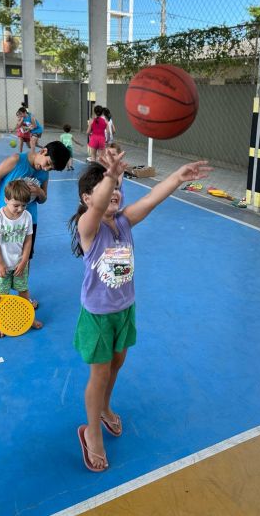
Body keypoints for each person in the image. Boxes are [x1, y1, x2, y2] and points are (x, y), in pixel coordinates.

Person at [69, 148, 211, 471]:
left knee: (117, 363)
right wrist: (109, 176)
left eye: (119, 187)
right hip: (98, 317)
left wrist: (177, 177)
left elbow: (151, 199)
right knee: (99, 373)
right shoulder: (89, 227)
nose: (115, 192)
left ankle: (104, 408)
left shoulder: (124, 221)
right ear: (87, 198)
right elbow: (99, 205)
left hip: (124, 310)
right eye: (107, 188)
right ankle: (91, 432)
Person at [0, 141, 70, 268]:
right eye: (48, 163)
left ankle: (22, 281)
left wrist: (39, 191)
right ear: (43, 151)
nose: (46, 168)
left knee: (25, 256)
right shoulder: (16, 160)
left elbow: (43, 199)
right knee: (1, 255)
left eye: (51, 168)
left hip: (27, 221)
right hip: (5, 218)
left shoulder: (44, 173)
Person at [0, 180, 43, 338]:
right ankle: (0, 323)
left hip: (19, 263)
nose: (20, 209)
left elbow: (28, 240)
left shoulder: (27, 216)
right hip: (2, 265)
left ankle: (29, 317)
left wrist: (24, 260)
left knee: (23, 290)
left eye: (24, 205)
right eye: (16, 205)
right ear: (6, 200)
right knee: (1, 295)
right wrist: (0, 264)